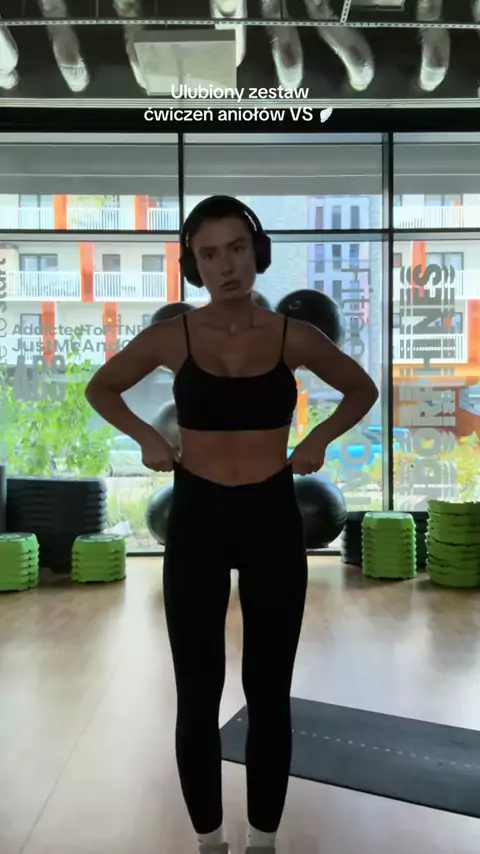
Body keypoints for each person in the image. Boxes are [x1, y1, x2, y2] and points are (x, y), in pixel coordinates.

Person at [85, 195, 379, 854]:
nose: (226, 265)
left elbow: (362, 388)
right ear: (194, 264)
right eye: (210, 254)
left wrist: (319, 439)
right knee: (197, 692)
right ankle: (210, 843)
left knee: (269, 693)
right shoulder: (175, 336)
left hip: (272, 515)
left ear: (256, 253)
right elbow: (101, 387)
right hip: (198, 515)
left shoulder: (292, 335)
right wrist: (145, 438)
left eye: (237, 249)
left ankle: (263, 843)